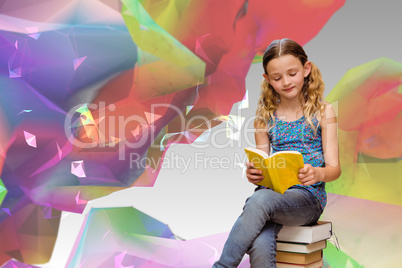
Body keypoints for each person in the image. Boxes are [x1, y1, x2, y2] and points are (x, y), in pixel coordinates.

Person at [212, 38, 341, 268]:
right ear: (267, 79)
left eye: (292, 73)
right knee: (260, 240)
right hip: (272, 196)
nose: (286, 82)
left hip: (307, 199)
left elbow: (334, 169)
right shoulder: (264, 117)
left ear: (306, 69)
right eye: (277, 77)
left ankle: (222, 266)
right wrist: (254, 172)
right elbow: (262, 160)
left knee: (258, 200)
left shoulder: (324, 112)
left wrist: (318, 174)